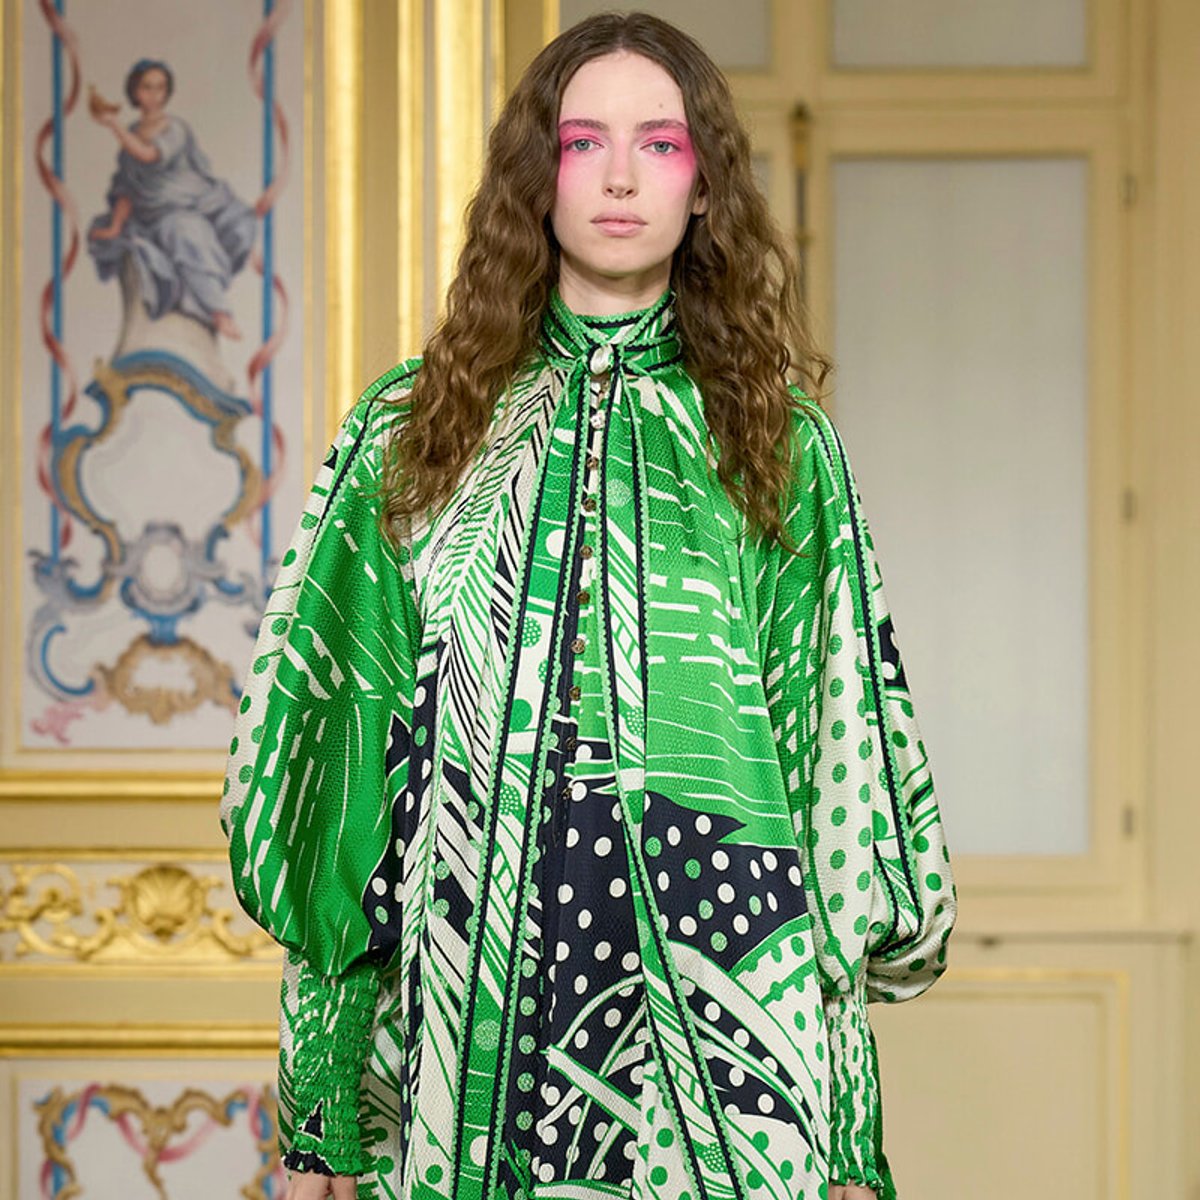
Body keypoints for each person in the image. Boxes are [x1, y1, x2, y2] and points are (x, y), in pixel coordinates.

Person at [221, 13, 956, 1200]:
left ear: (707, 181)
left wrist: (850, 1141)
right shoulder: (414, 434)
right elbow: (341, 787)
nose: (620, 176)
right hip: (465, 1056)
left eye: (659, 144)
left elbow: (840, 786)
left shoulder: (780, 448)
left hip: (732, 1078)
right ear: (535, 174)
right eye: (583, 142)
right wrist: (323, 1123)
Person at [89, 59, 255, 340]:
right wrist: (116, 227)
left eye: (160, 88)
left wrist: (112, 126)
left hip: (187, 206)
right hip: (152, 217)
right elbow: (127, 188)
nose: (154, 95)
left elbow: (149, 155)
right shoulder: (130, 135)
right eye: (147, 87)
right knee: (170, 233)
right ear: (135, 92)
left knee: (188, 232)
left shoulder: (175, 129)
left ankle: (220, 313)